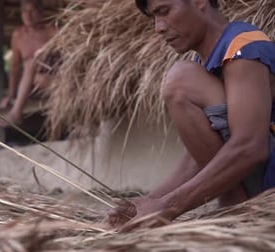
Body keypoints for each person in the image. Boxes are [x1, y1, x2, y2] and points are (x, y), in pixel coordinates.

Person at [109, 0, 275, 229]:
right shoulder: (206, 63)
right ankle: (237, 207)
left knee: (180, 79)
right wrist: (149, 203)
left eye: (164, 11)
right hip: (260, 184)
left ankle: (237, 206)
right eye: (154, 18)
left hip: (269, 186)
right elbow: (202, 156)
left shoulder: (244, 47)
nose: (159, 27)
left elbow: (250, 148)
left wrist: (169, 206)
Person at [0, 0, 56, 126]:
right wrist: (11, 94)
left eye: (32, 11)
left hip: (52, 80)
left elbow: (70, 55)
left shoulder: (51, 31)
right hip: (31, 85)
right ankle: (16, 111)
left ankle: (16, 113)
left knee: (33, 65)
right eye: (24, 11)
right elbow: (15, 67)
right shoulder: (18, 36)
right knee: (30, 65)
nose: (28, 15)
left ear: (41, 13)